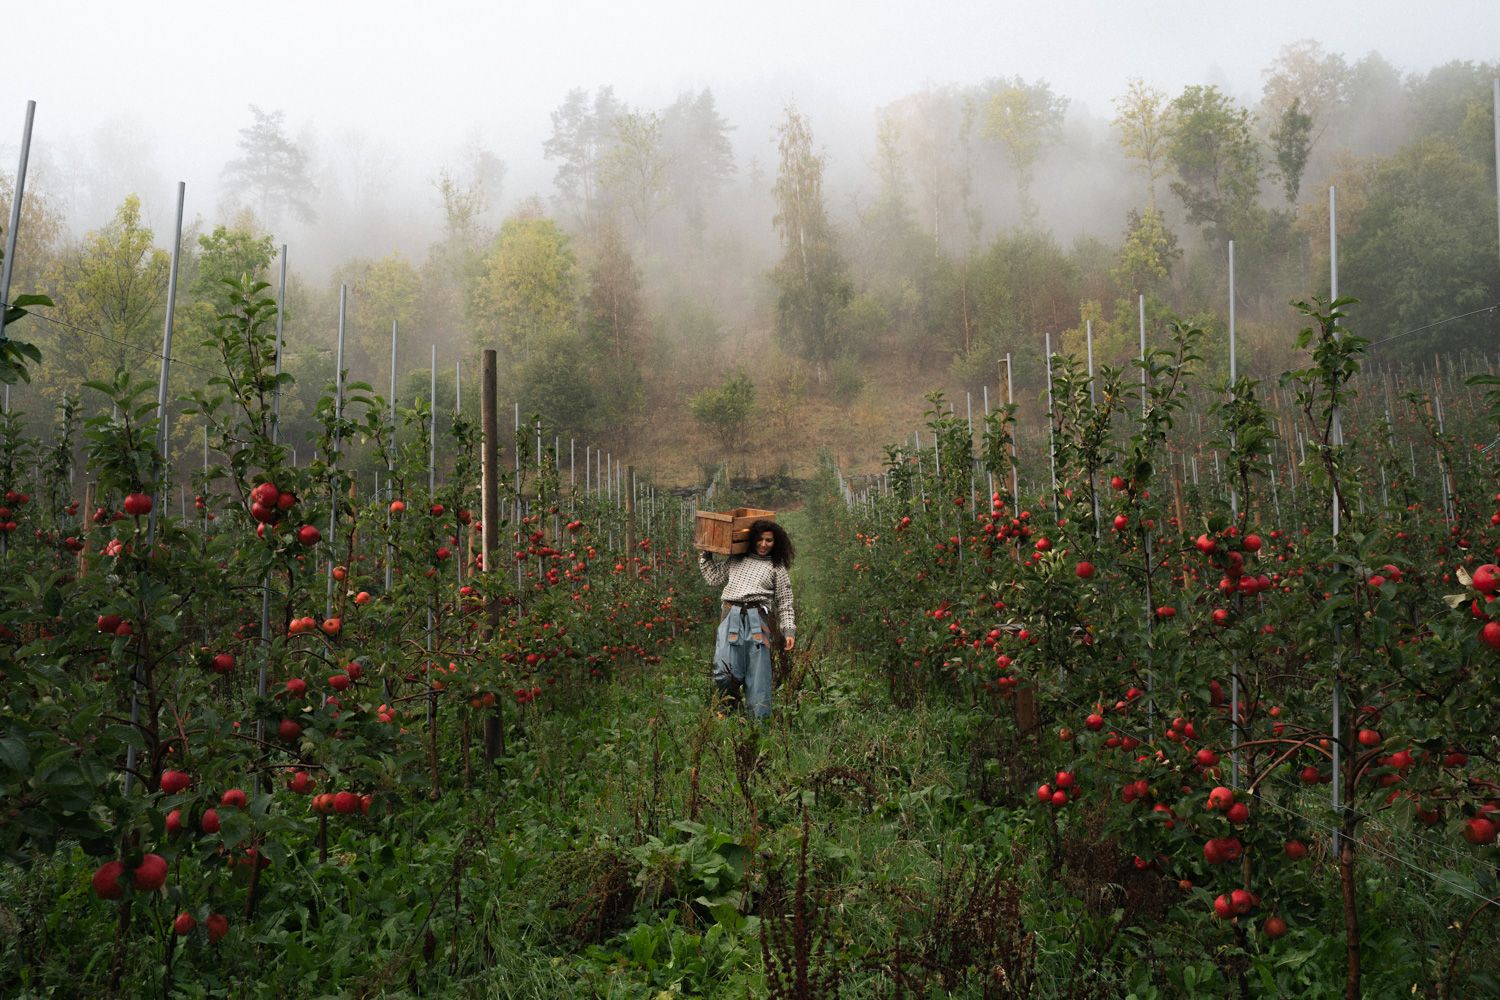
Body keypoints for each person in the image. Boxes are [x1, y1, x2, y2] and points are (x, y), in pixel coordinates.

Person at [698, 519, 796, 720]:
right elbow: (713, 578)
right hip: (730, 615)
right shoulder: (737, 559)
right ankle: (730, 710)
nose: (763, 544)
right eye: (759, 539)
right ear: (751, 540)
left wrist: (788, 631)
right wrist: (706, 554)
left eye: (769, 540)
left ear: (776, 542)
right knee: (724, 671)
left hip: (757, 619)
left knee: (758, 675)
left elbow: (785, 601)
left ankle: (758, 725)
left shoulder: (776, 567)